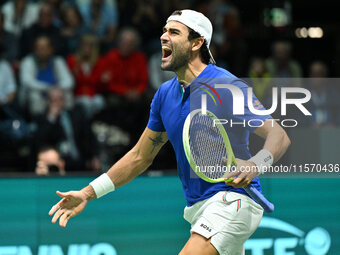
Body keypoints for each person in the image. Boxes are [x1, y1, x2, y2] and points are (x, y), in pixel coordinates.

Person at [49, 10, 290, 255]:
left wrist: (256, 163)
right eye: (164, 30)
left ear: (197, 43)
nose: (164, 37)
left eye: (174, 32)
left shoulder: (226, 85)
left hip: (234, 199)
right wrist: (87, 193)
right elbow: (139, 157)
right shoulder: (164, 95)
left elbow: (279, 135)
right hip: (198, 207)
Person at [19, 36, 74, 118]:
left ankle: (66, 122)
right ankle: (38, 123)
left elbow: (69, 81)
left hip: (56, 94)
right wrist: (48, 88)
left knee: (68, 94)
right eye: (39, 48)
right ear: (34, 50)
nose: (42, 51)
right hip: (39, 94)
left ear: (51, 49)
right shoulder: (28, 61)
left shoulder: (57, 61)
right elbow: (26, 81)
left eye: (45, 48)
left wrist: (56, 89)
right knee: (34, 96)